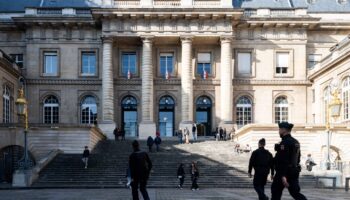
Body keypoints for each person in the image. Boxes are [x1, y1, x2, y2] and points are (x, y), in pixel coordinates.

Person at [271, 122, 307, 200]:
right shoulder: (296, 142)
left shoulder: (284, 143)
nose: (279, 131)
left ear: (284, 130)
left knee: (275, 192)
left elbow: (284, 160)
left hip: (283, 173)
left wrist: (283, 176)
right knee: (295, 193)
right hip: (294, 171)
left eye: (279, 129)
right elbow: (298, 158)